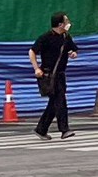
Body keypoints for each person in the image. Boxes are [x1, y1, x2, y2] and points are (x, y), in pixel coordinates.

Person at [29, 12, 77, 140]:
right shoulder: (46, 37)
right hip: (49, 75)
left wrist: (72, 53)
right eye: (66, 21)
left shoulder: (66, 37)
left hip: (61, 74)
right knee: (60, 101)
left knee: (54, 104)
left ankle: (41, 129)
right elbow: (32, 51)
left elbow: (72, 49)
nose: (68, 23)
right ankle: (64, 130)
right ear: (60, 24)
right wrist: (36, 68)